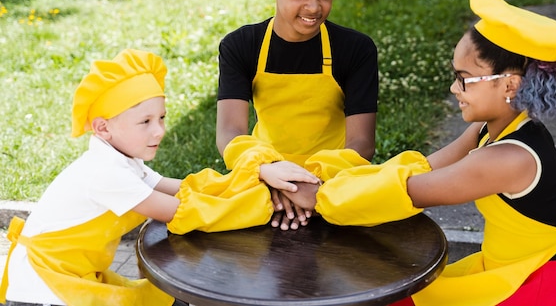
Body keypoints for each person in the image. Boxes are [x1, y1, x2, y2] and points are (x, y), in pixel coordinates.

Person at [283, 0, 556, 306]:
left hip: (543, 290)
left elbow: (411, 191)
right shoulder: (492, 130)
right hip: (511, 271)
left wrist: (319, 197)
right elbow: (423, 167)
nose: (453, 90)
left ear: (510, 85)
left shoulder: (507, 159)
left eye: (463, 79)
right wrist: (337, 182)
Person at [0, 49, 319, 306]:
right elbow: (181, 212)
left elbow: (184, 189)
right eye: (146, 122)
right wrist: (263, 203)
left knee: (160, 298)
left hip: (76, 273)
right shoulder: (105, 173)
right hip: (43, 288)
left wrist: (255, 178)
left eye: (162, 118)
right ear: (102, 127)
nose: (160, 131)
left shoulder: (122, 160)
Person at [216, 0, 379, 230]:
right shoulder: (241, 45)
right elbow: (229, 132)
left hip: (333, 178)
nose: (313, 7)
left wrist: (310, 185)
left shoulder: (355, 49)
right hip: (263, 172)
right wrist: (271, 172)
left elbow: (362, 142)